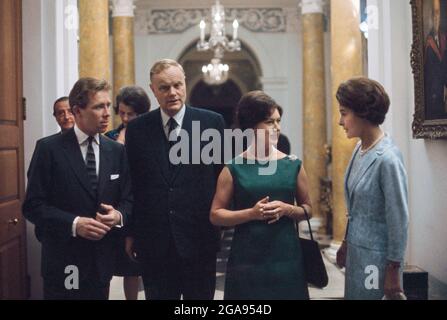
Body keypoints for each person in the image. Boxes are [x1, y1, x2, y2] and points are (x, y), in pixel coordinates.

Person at [22, 78, 133, 300]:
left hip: (101, 262)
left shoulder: (116, 151)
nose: (106, 113)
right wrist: (75, 224)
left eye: (108, 106)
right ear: (77, 111)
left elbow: (129, 199)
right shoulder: (49, 149)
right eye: (98, 107)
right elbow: (33, 206)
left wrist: (117, 216)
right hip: (64, 260)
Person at [125, 59, 225, 300]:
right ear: (153, 90)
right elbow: (131, 184)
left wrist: (222, 223)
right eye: (164, 88)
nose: (172, 93)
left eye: (177, 85)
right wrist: (129, 233)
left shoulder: (211, 123)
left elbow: (222, 178)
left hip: (199, 239)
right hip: (154, 242)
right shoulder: (137, 129)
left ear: (185, 85)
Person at [210, 91, 312, 300]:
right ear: (251, 127)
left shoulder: (293, 165)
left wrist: (288, 209)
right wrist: (251, 213)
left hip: (286, 257)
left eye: (278, 121)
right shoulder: (233, 167)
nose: (277, 127)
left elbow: (308, 209)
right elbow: (215, 215)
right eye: (269, 122)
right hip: (246, 259)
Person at [335, 77, 409, 300]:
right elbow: (356, 208)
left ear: (362, 113)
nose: (340, 121)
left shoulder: (387, 158)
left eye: (344, 113)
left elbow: (399, 219)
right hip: (357, 255)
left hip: (378, 261)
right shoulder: (360, 148)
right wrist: (346, 243)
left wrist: (393, 270)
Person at [105, 86, 150, 300]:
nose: (124, 118)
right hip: (118, 203)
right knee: (119, 263)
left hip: (144, 203)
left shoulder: (149, 134)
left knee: (139, 265)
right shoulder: (111, 136)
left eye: (130, 114)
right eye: (121, 112)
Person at [424, 0, 447, 119]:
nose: (437, 18)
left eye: (439, 15)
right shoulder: (429, 42)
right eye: (435, 15)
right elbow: (430, 72)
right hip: (434, 92)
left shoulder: (443, 38)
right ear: (431, 18)